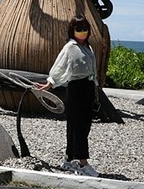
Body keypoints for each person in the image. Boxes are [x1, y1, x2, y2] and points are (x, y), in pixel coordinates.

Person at [35, 14, 100, 177]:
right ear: (72, 30)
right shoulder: (70, 47)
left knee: (82, 126)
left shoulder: (87, 47)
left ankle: (68, 159)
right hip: (76, 87)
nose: (83, 31)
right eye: (79, 28)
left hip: (88, 87)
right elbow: (59, 66)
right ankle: (83, 163)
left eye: (85, 28)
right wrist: (50, 83)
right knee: (78, 126)